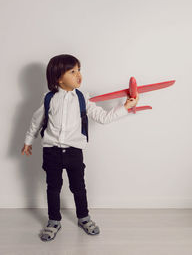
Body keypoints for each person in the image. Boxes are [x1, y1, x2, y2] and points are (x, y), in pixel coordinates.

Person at [21, 54, 139, 242]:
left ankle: (83, 217)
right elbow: (36, 121)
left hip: (74, 152)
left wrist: (125, 107)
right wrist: (28, 141)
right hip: (51, 151)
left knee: (79, 187)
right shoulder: (49, 98)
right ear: (58, 77)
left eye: (79, 70)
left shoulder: (83, 98)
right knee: (53, 187)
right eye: (73, 71)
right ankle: (53, 221)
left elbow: (103, 117)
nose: (79, 76)